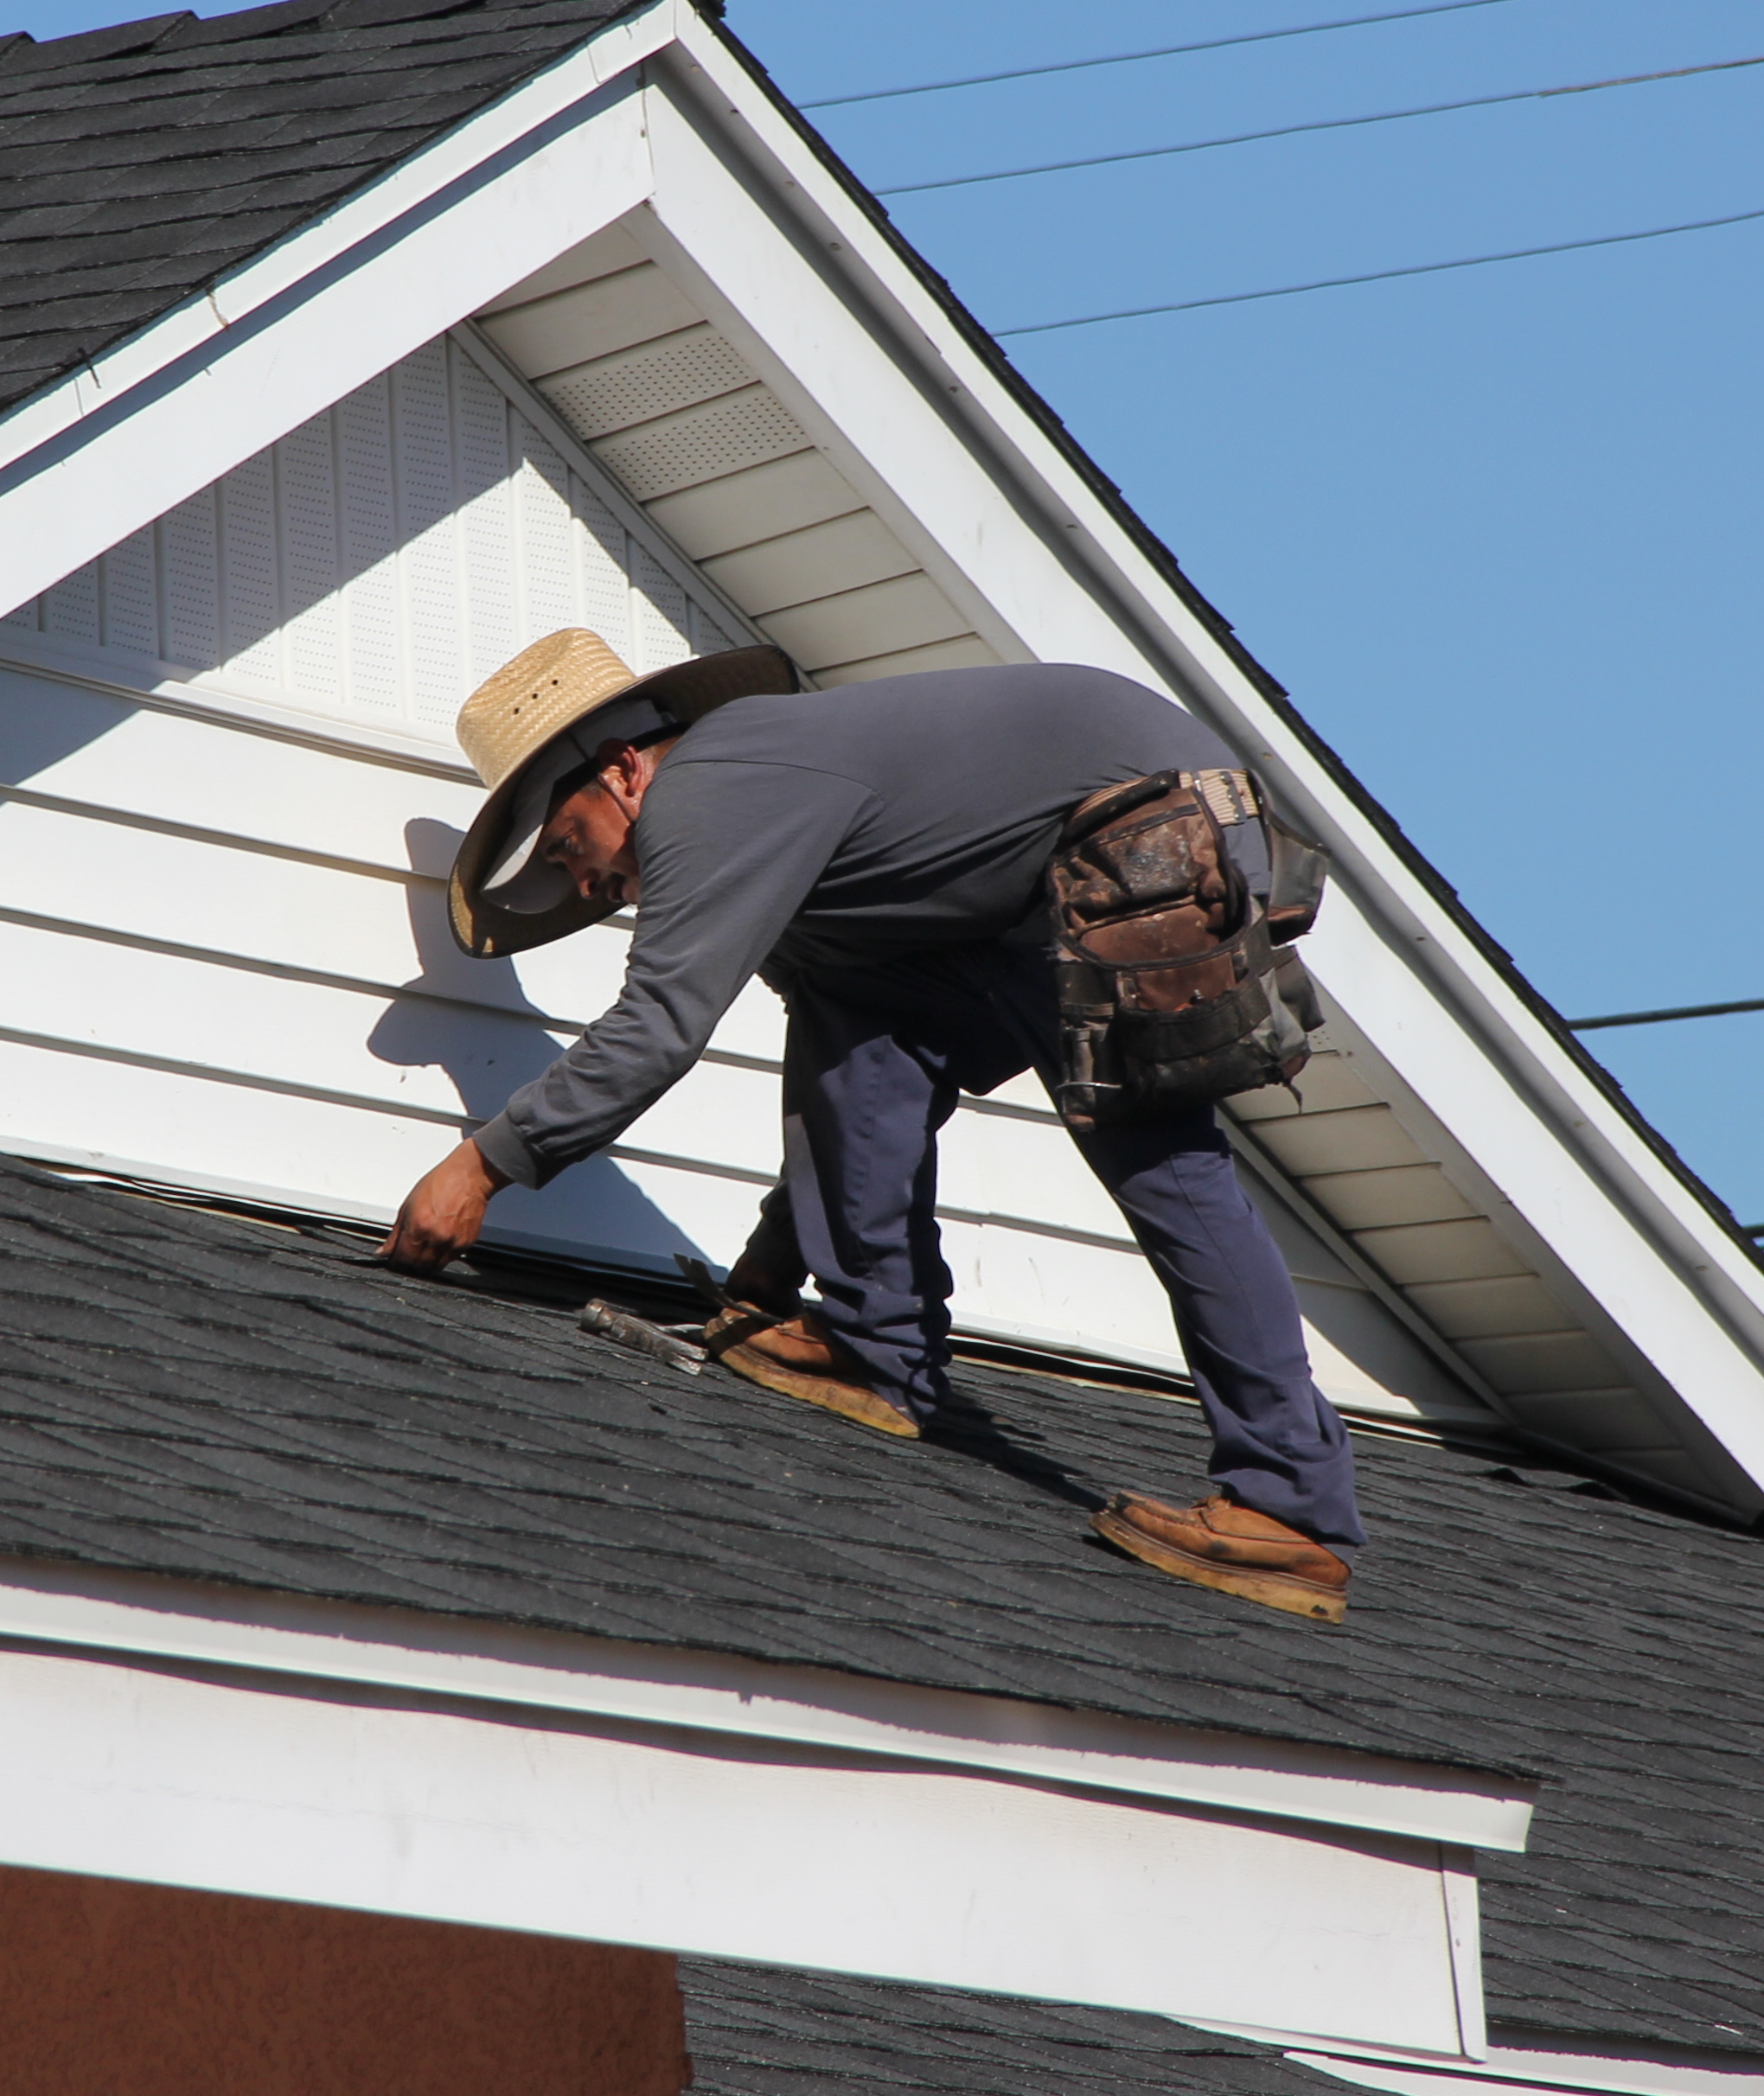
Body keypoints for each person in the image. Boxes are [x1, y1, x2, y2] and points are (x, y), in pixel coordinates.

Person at [382, 627, 1363, 1621]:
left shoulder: (710, 790)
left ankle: (1292, 1507)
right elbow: (846, 1055)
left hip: (1144, 818)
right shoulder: (773, 834)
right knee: (849, 1003)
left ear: (624, 771)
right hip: (1041, 867)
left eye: (567, 847)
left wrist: (480, 1169)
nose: (584, 886)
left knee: (1163, 1162)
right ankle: (877, 1344)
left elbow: (656, 1029)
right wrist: (782, 1249)